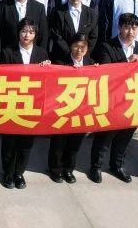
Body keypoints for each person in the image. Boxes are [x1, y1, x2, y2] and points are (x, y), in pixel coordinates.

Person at [89, 13, 138, 184]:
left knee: (124, 137)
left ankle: (117, 165)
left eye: (134, 28)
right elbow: (108, 71)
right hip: (112, 100)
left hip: (133, 101)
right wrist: (127, 61)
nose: (131, 32)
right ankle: (96, 166)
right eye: (127, 27)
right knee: (105, 137)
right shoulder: (107, 46)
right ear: (119, 28)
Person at [0, 18, 51, 189]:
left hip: (32, 104)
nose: (27, 35)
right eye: (23, 31)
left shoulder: (42, 54)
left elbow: (48, 80)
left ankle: (19, 172)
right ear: (18, 33)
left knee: (26, 142)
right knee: (10, 141)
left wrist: (47, 68)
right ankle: (8, 172)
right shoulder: (8, 52)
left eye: (30, 32)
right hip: (12, 102)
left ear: (35, 34)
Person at [48, 32, 94, 183]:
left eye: (83, 47)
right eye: (76, 46)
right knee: (59, 142)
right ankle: (55, 169)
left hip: (81, 110)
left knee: (75, 142)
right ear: (70, 46)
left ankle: (68, 169)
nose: (79, 50)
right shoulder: (61, 62)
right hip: (63, 108)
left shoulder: (91, 63)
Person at [49, 0, 99, 64]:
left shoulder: (91, 13)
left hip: (84, 58)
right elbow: (56, 35)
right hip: (63, 58)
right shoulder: (58, 12)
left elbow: (93, 36)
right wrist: (70, 53)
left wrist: (83, 52)